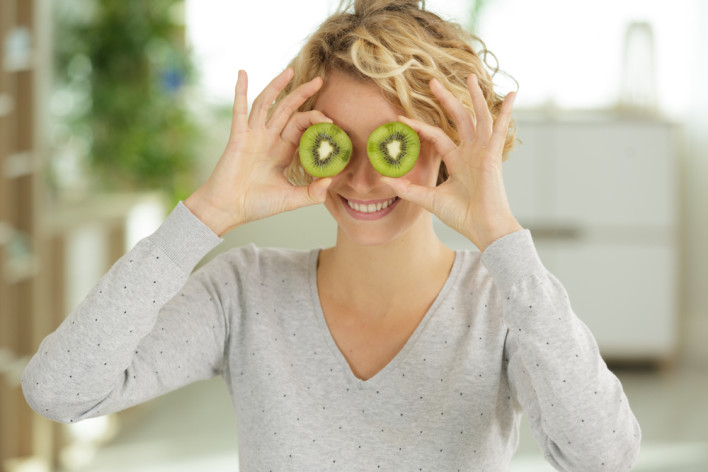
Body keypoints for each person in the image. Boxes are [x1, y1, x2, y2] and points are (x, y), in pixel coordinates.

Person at [23, 0, 641, 470]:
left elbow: (604, 456)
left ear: (446, 151)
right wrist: (206, 213)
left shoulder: (505, 304)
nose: (364, 178)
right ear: (309, 143)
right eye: (338, 143)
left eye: (394, 146)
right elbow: (59, 391)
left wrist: (502, 236)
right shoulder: (245, 292)